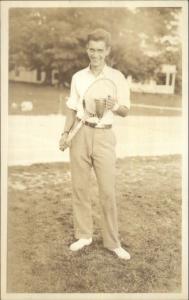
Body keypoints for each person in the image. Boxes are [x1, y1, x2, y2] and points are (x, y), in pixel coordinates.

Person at [59, 28, 131, 260]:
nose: (95, 54)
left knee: (107, 191)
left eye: (100, 50)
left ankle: (112, 242)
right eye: (92, 49)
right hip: (80, 134)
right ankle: (84, 235)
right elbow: (72, 109)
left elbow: (126, 111)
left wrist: (114, 106)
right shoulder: (78, 77)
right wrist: (64, 133)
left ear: (107, 51)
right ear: (86, 49)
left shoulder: (117, 77)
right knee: (80, 188)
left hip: (104, 136)